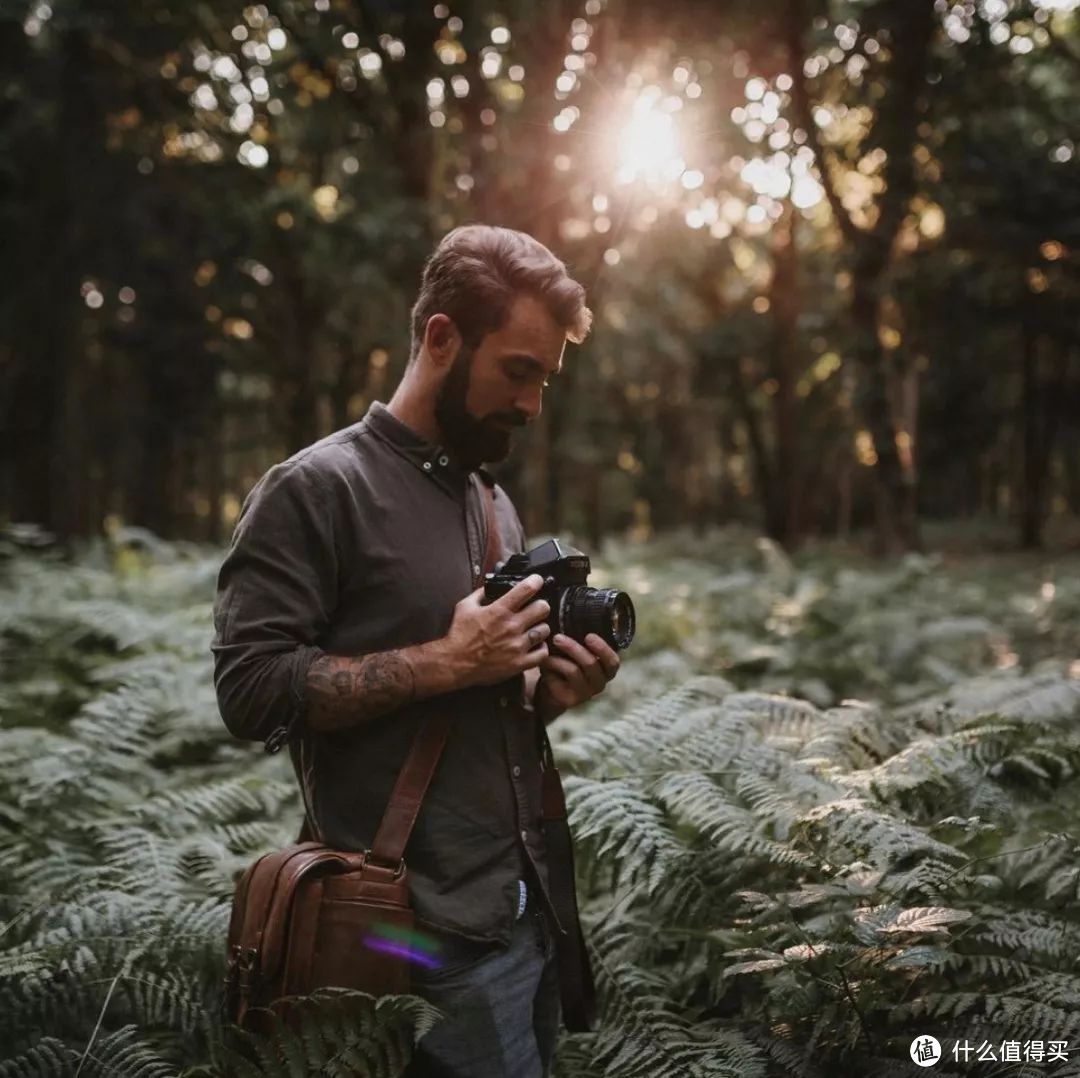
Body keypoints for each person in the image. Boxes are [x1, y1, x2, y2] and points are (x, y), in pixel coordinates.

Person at [211, 224, 620, 1077]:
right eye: (518, 371)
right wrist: (449, 659)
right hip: (406, 942)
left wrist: (550, 692)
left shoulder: (492, 500)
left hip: (529, 908)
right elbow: (250, 691)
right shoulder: (315, 490)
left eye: (545, 379)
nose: (533, 405)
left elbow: (481, 702)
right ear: (441, 338)